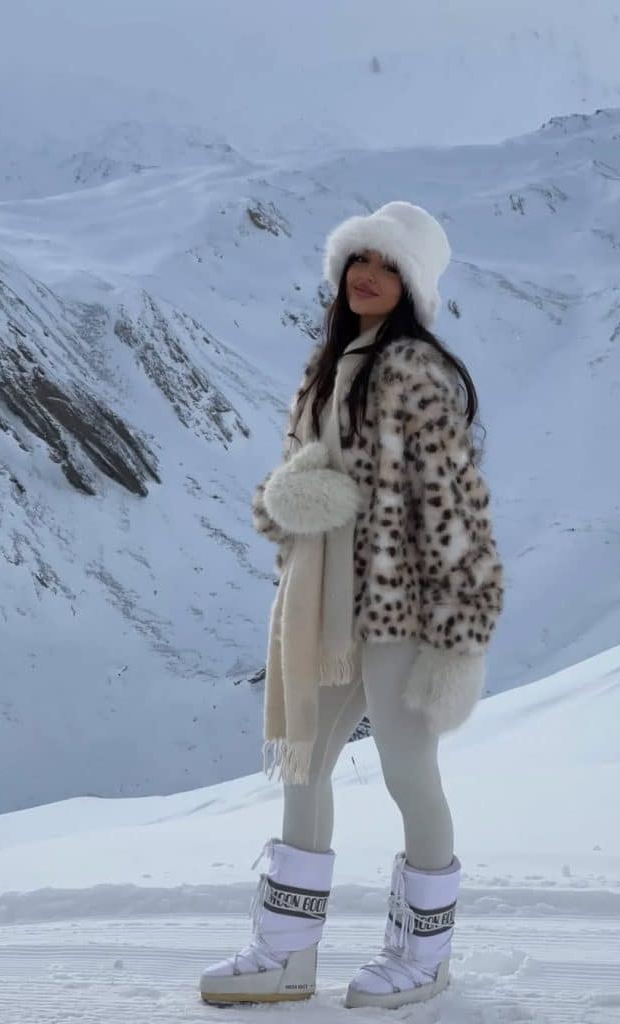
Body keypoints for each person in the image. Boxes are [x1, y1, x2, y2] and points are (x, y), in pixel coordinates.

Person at [199, 201, 504, 1010]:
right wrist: (298, 498)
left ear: (412, 285)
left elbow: (455, 509)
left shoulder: (415, 373)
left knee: (410, 773)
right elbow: (286, 493)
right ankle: (286, 955)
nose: (367, 275)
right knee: (305, 768)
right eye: (358, 260)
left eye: (388, 264)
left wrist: (457, 641)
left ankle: (422, 957)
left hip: (400, 609)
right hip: (326, 607)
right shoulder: (329, 365)